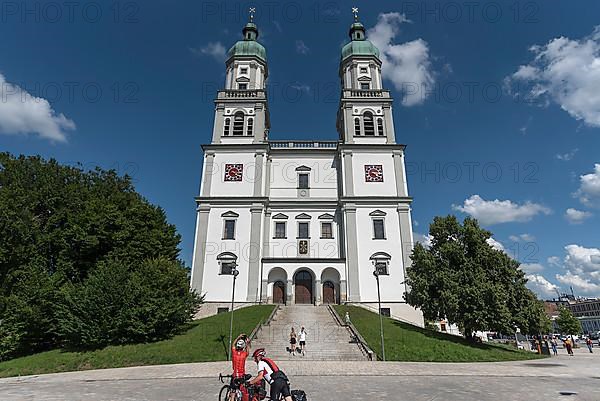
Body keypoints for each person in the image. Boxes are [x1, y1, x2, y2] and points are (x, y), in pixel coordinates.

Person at [230, 333, 250, 401]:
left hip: (235, 375)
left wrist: (238, 337)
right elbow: (247, 351)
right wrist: (247, 343)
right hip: (241, 375)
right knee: (242, 390)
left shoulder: (234, 352)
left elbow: (233, 345)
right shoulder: (244, 354)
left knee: (233, 392)